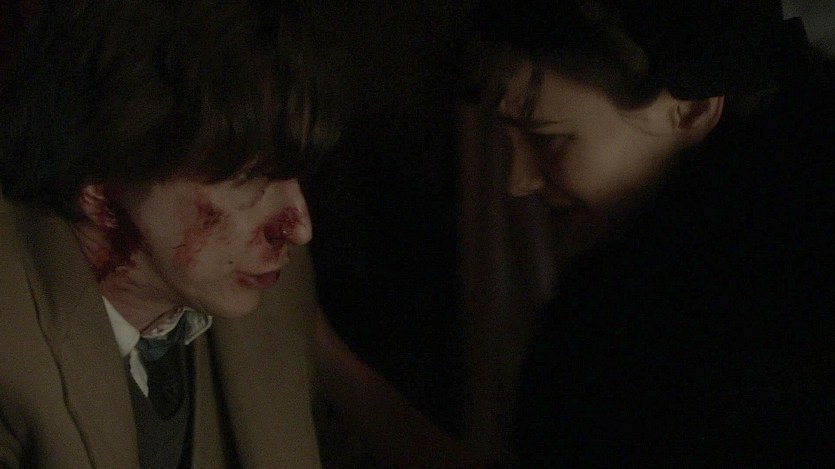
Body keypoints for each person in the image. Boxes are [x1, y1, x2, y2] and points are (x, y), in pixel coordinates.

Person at [0, 1, 485, 468]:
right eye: (249, 180)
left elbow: (347, 392)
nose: (300, 227)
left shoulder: (258, 281)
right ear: (101, 193)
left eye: (294, 173)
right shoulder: (14, 347)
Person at [472, 0, 835, 465]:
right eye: (508, 141)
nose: (517, 182)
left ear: (693, 110)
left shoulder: (737, 346)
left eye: (547, 138)